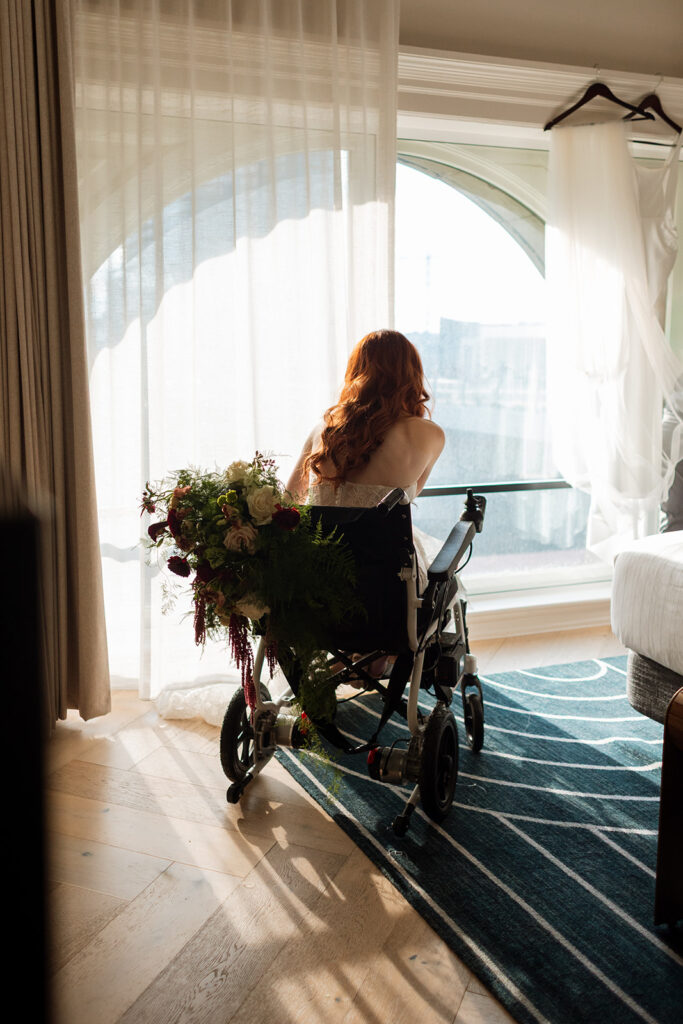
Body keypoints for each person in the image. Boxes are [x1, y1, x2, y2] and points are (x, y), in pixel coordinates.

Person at [287, 329, 445, 592]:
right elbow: (409, 496)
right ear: (412, 374)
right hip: (386, 584)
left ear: (356, 371)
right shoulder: (429, 435)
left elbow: (289, 501)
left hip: (317, 578)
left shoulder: (323, 429)